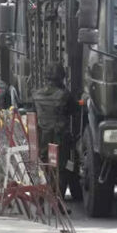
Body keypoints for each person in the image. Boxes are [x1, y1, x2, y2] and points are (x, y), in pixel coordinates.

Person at [31, 63, 79, 198]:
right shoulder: (65, 95)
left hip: (41, 138)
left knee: (43, 166)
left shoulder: (36, 94)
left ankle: (40, 198)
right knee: (60, 170)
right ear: (62, 77)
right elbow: (75, 112)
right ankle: (57, 202)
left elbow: (33, 115)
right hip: (59, 138)